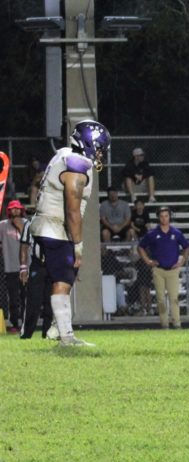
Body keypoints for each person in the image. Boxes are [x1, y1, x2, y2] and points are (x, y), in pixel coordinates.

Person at [30, 119, 111, 347]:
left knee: (65, 277)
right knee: (63, 279)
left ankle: (58, 328)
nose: (100, 154)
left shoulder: (64, 154)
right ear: (89, 143)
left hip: (46, 224)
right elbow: (73, 210)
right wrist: (78, 244)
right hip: (55, 227)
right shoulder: (77, 164)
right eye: (99, 148)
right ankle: (65, 336)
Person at [137, 207, 189, 329]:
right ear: (158, 218)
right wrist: (148, 261)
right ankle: (164, 324)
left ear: (169, 217)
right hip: (158, 270)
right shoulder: (152, 233)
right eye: (162, 216)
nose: (164, 218)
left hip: (172, 270)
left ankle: (177, 323)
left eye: (166, 216)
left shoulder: (176, 233)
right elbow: (140, 247)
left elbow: (187, 247)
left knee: (174, 298)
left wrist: (181, 262)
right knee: (160, 298)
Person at [19, 216, 54, 339]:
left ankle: (48, 333)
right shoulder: (30, 223)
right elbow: (24, 246)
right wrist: (23, 267)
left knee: (51, 302)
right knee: (33, 301)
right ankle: (26, 334)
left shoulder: (56, 220)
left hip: (53, 264)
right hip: (37, 264)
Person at [0, 200, 28, 333]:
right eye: (13, 208)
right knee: (13, 297)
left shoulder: (27, 224)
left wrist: (20, 226)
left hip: (26, 267)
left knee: (25, 296)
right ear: (9, 211)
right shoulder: (3, 225)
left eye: (18, 208)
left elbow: (30, 240)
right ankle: (15, 323)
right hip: (10, 267)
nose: (15, 211)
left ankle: (25, 323)